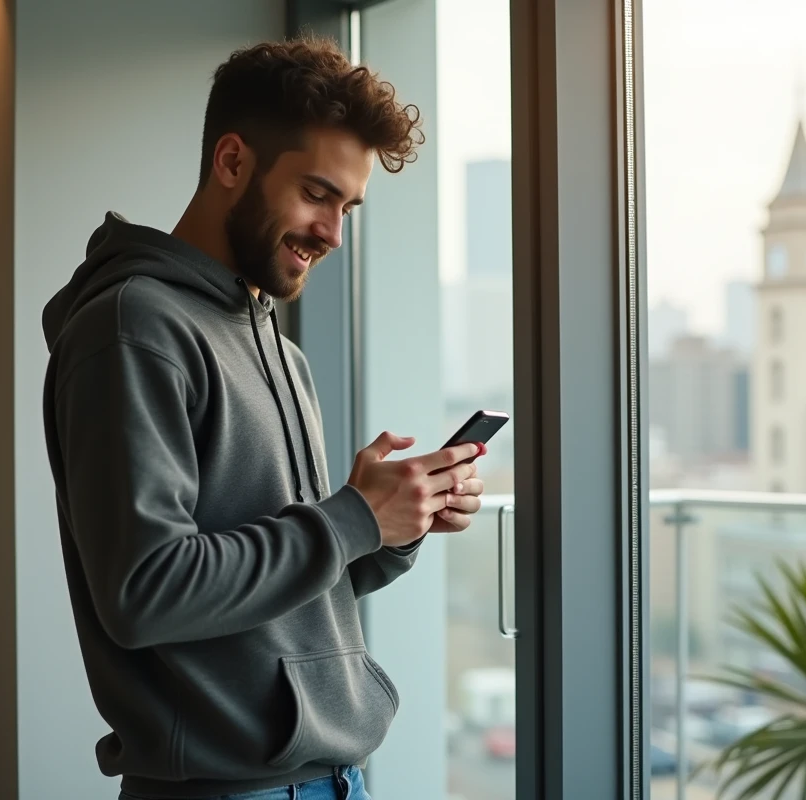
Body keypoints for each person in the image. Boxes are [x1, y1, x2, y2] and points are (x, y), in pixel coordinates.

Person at [40, 36, 486, 800]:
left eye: (347, 207)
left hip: (329, 779)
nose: (334, 234)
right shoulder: (133, 328)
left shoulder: (277, 344)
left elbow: (275, 590)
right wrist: (349, 519)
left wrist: (390, 528)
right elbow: (147, 592)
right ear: (233, 162)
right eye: (316, 194)